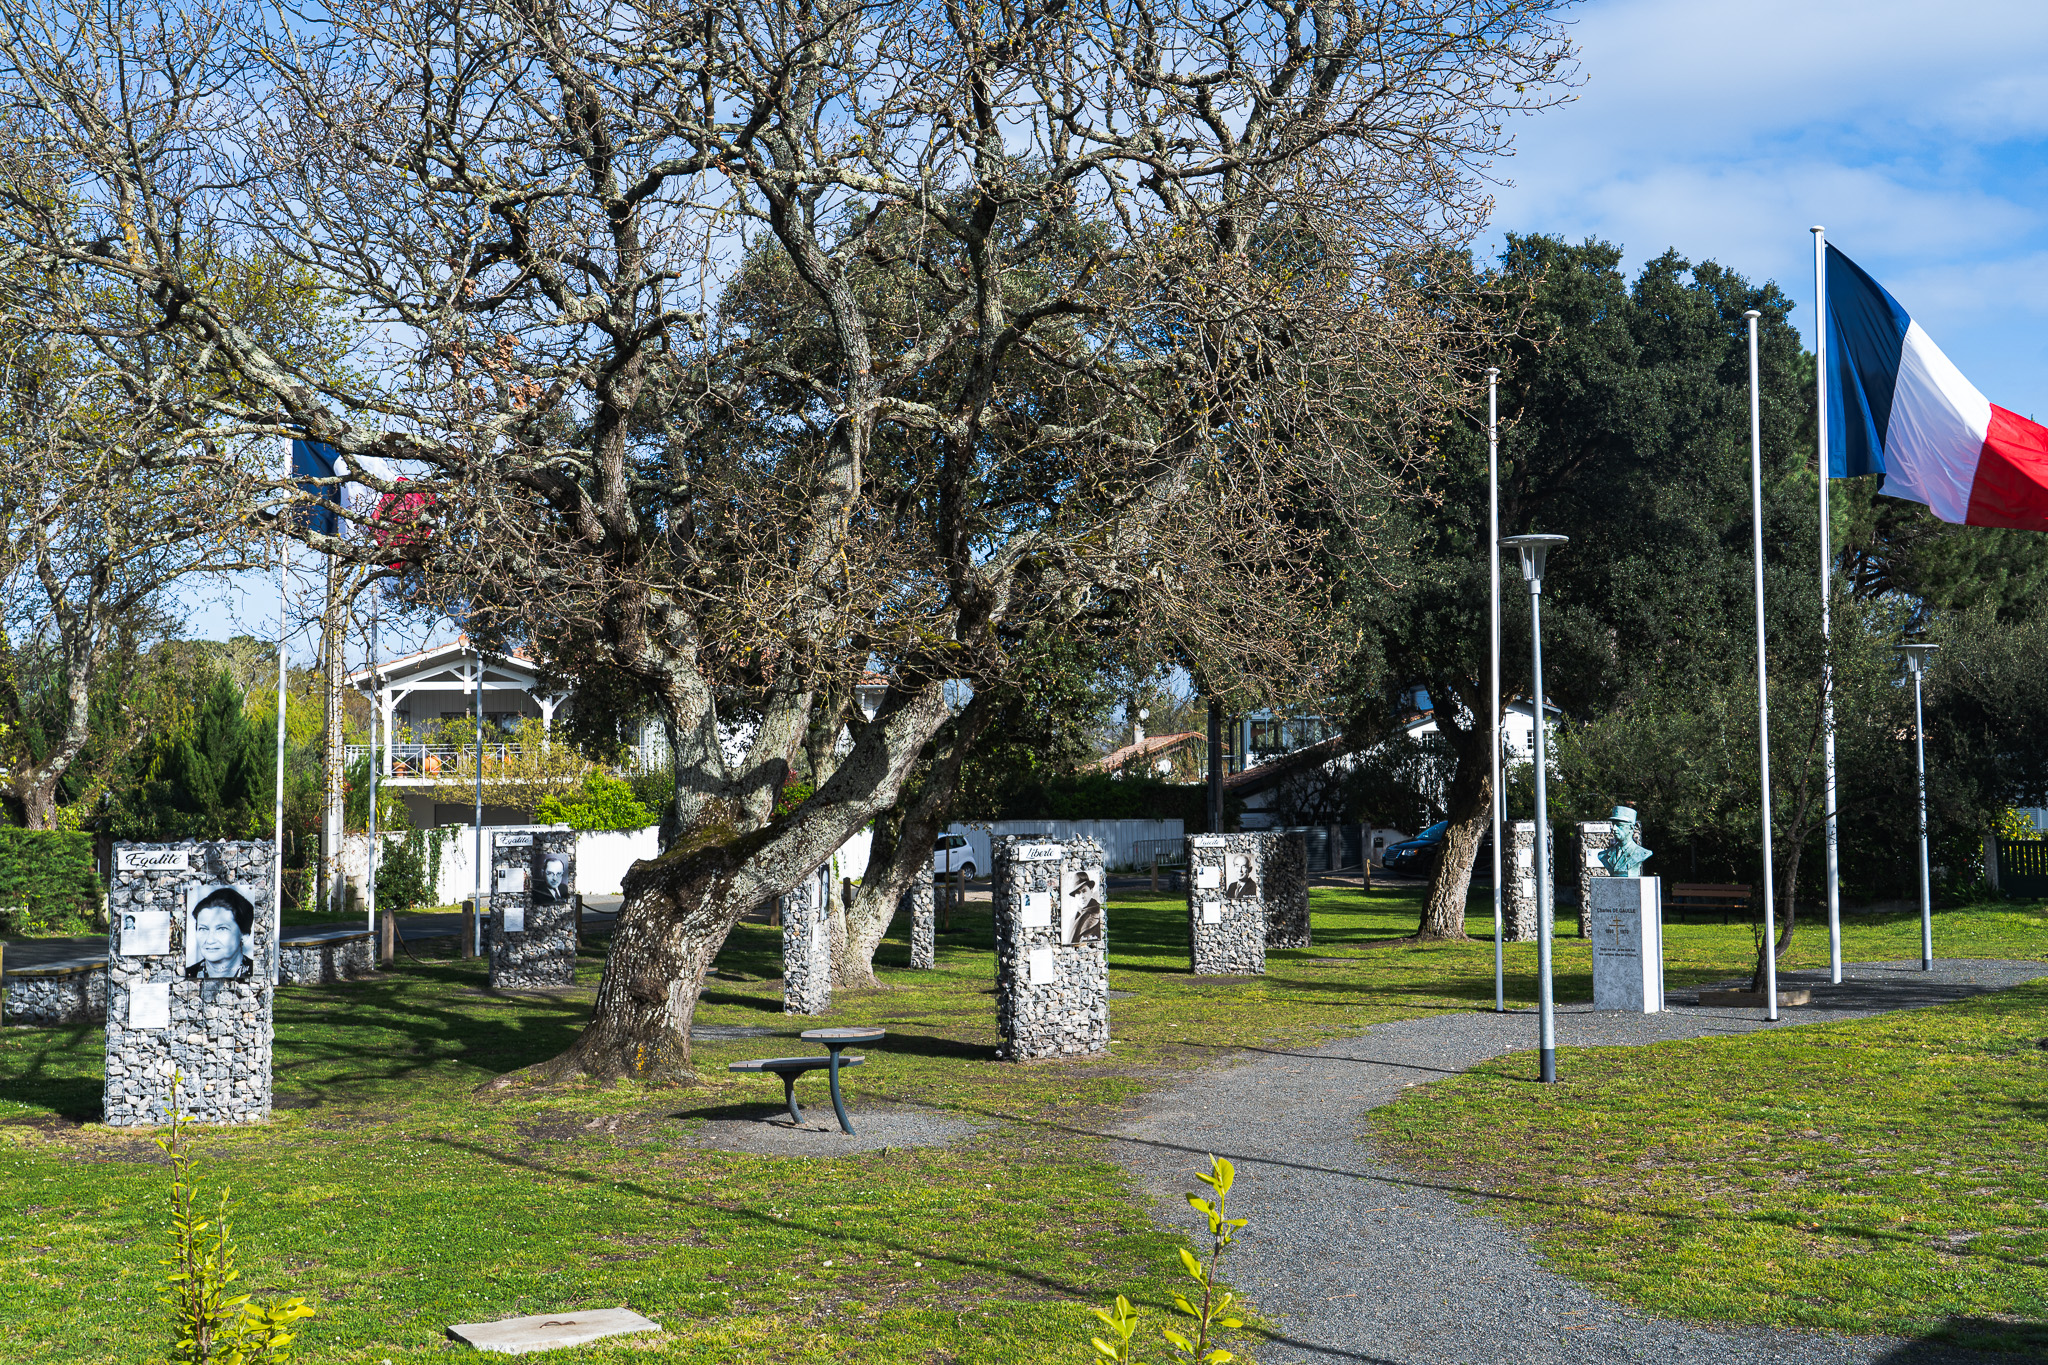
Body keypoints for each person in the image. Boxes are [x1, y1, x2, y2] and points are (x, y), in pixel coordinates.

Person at [186, 888, 255, 980]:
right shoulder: (188, 973)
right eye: (203, 929)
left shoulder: (256, 971)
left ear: (244, 934)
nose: (209, 940)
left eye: (221, 929)